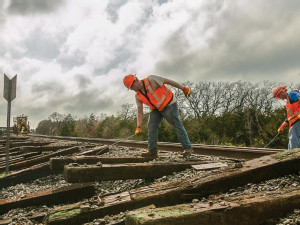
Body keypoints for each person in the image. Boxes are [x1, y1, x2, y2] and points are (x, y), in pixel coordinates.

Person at [123, 74, 193, 158]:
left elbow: (168, 81)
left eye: (131, 87)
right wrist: (138, 126)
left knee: (176, 124)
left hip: (169, 104)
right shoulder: (138, 96)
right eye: (130, 88)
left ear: (135, 81)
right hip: (156, 109)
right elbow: (139, 111)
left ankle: (187, 149)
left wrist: (183, 88)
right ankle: (152, 152)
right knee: (151, 126)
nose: (131, 89)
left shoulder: (151, 80)